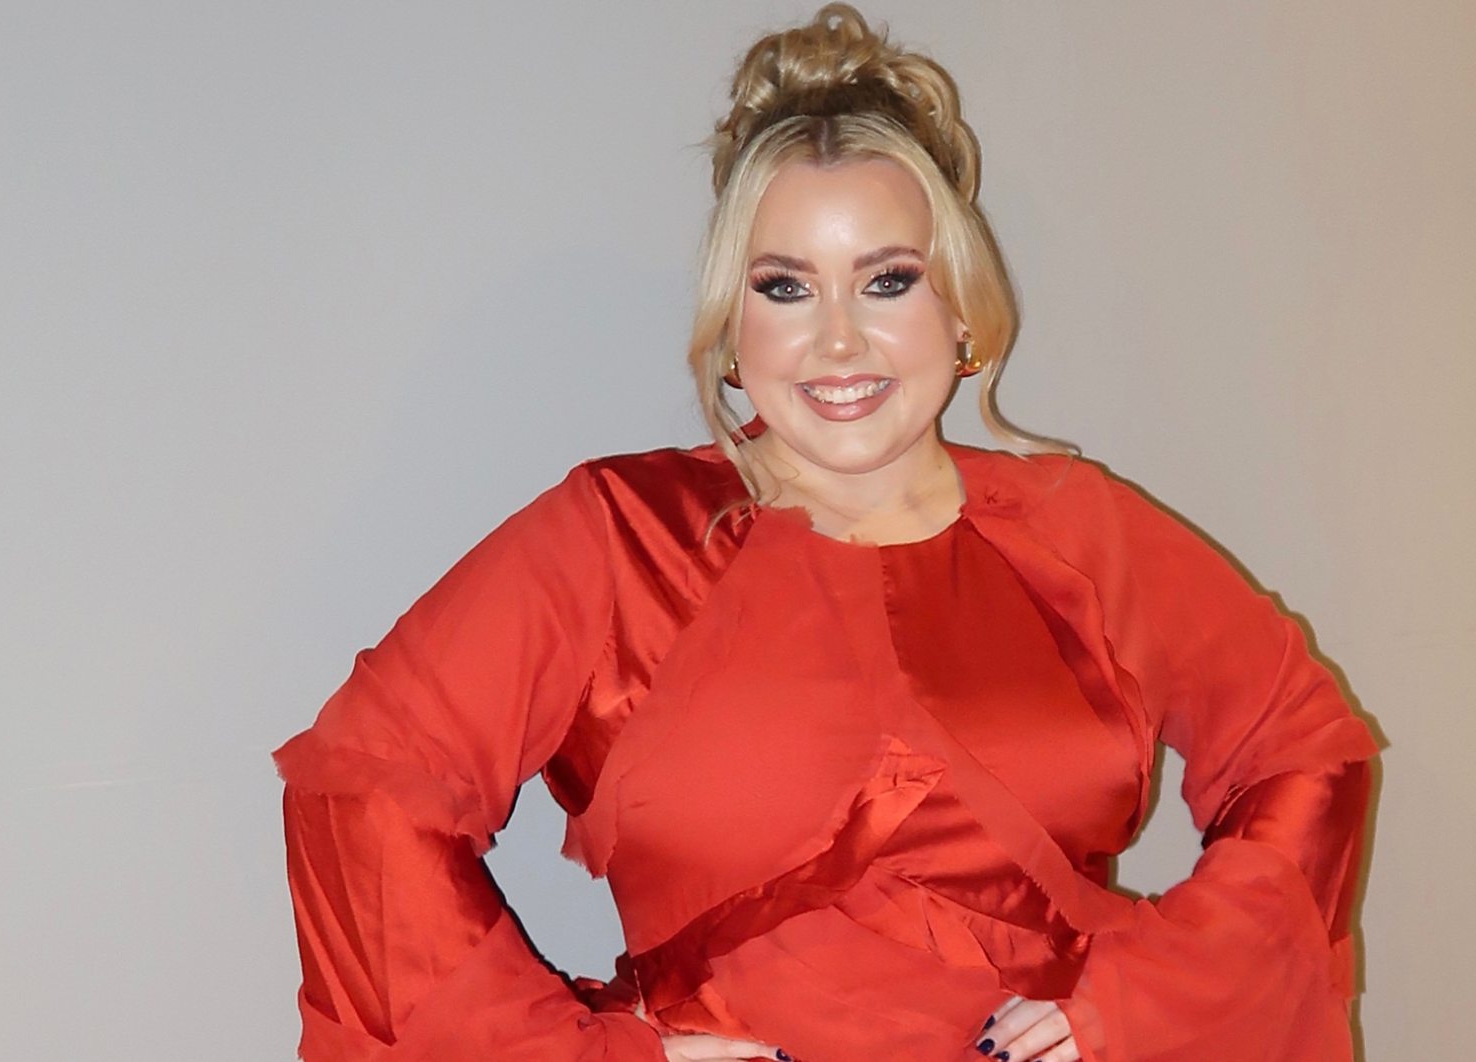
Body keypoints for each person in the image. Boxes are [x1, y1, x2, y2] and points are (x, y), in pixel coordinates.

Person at [274, 6, 1379, 1061]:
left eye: (887, 282)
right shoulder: (618, 539)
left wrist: (1154, 999)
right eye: (787, 287)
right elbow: (360, 790)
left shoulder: (1081, 534)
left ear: (960, 313)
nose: (838, 342)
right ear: (732, 325)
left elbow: (1305, 752)